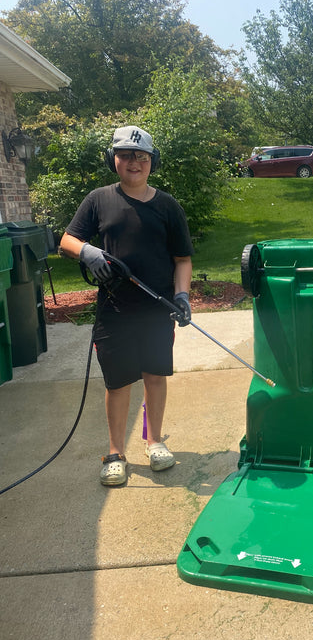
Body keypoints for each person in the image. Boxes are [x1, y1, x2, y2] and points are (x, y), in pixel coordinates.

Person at [60, 125, 194, 487]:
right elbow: (67, 240)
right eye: (125, 155)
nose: (133, 162)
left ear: (152, 162)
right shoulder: (98, 199)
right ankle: (116, 452)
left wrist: (182, 296)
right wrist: (87, 252)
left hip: (157, 309)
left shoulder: (168, 206)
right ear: (113, 160)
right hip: (114, 310)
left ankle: (154, 442)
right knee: (118, 383)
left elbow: (183, 259)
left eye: (141, 156)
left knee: (155, 375)